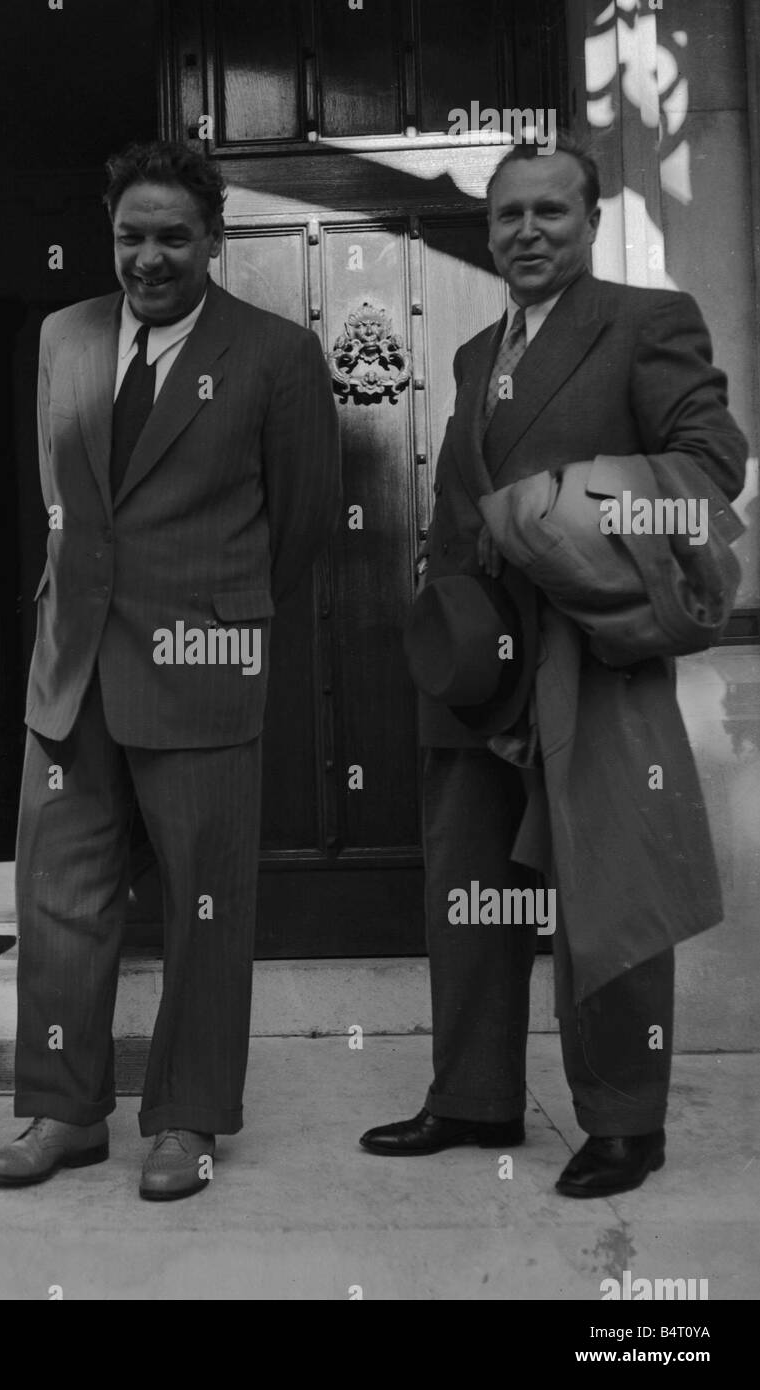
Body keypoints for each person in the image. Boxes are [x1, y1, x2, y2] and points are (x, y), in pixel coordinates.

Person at [360, 135, 748, 1197]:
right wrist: (443, 619)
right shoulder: (476, 353)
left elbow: (711, 467)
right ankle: (472, 1094)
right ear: (485, 231)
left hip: (590, 656)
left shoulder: (645, 323)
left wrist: (558, 510)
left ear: (587, 223)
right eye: (507, 215)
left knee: (605, 892)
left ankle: (627, 1120)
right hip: (479, 661)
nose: (526, 231)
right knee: (468, 887)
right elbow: (455, 503)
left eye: (550, 213)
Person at [0, 140, 341, 1201]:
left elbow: (304, 522)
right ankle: (61, 1110)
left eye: (173, 235)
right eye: (131, 234)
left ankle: (186, 1119)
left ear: (212, 239)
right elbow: (60, 493)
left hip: (202, 670)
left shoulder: (275, 354)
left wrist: (214, 614)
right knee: (58, 901)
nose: (149, 256)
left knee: (205, 909)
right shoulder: (63, 335)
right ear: (109, 233)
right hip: (72, 672)